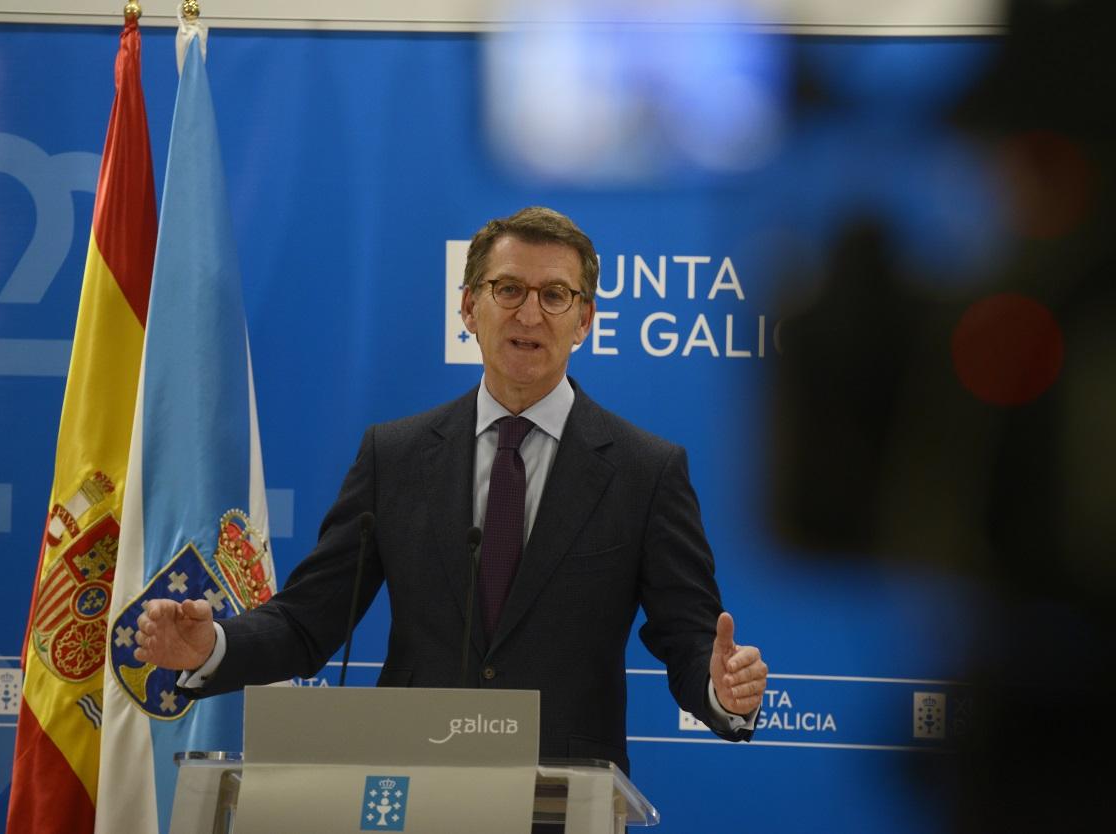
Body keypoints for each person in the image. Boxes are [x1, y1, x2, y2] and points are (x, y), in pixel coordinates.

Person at [134, 206, 767, 772]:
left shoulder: (645, 471)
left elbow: (688, 639)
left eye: (555, 295)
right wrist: (213, 644)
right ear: (468, 307)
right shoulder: (396, 455)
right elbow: (308, 620)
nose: (529, 313)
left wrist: (720, 690)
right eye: (509, 289)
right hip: (411, 784)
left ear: (585, 320)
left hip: (566, 797)